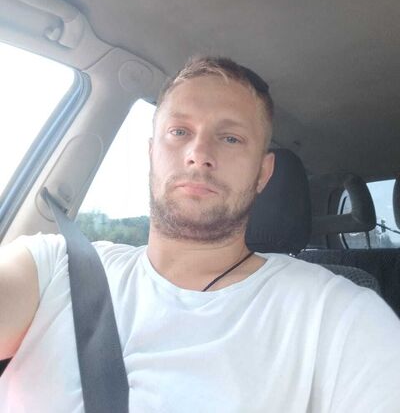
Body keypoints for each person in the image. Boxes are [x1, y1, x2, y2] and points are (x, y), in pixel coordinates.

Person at [0, 56, 400, 413]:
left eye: (230, 138)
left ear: (262, 174)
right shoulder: (53, 265)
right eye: (179, 131)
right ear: (151, 153)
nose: (199, 154)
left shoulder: (338, 316)